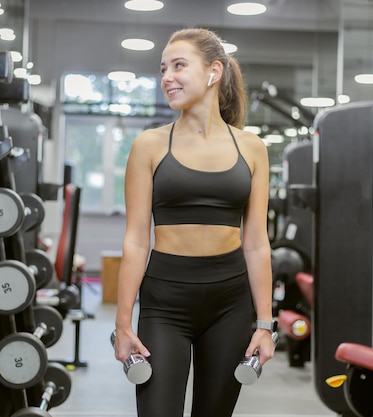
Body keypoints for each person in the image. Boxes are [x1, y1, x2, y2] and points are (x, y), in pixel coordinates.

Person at [114, 27, 275, 417]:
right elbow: (136, 240)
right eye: (163, 68)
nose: (167, 76)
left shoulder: (251, 148)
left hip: (230, 304)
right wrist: (122, 323)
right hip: (165, 301)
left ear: (213, 71)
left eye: (179, 65)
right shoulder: (150, 145)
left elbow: (256, 242)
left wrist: (266, 324)